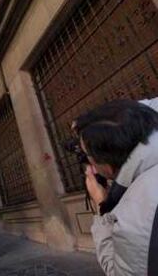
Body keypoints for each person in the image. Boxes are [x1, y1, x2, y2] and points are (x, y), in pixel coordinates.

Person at [74, 99, 158, 275]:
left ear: (106, 163)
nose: (88, 160)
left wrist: (102, 207)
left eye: (88, 155)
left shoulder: (135, 219)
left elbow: (121, 272)